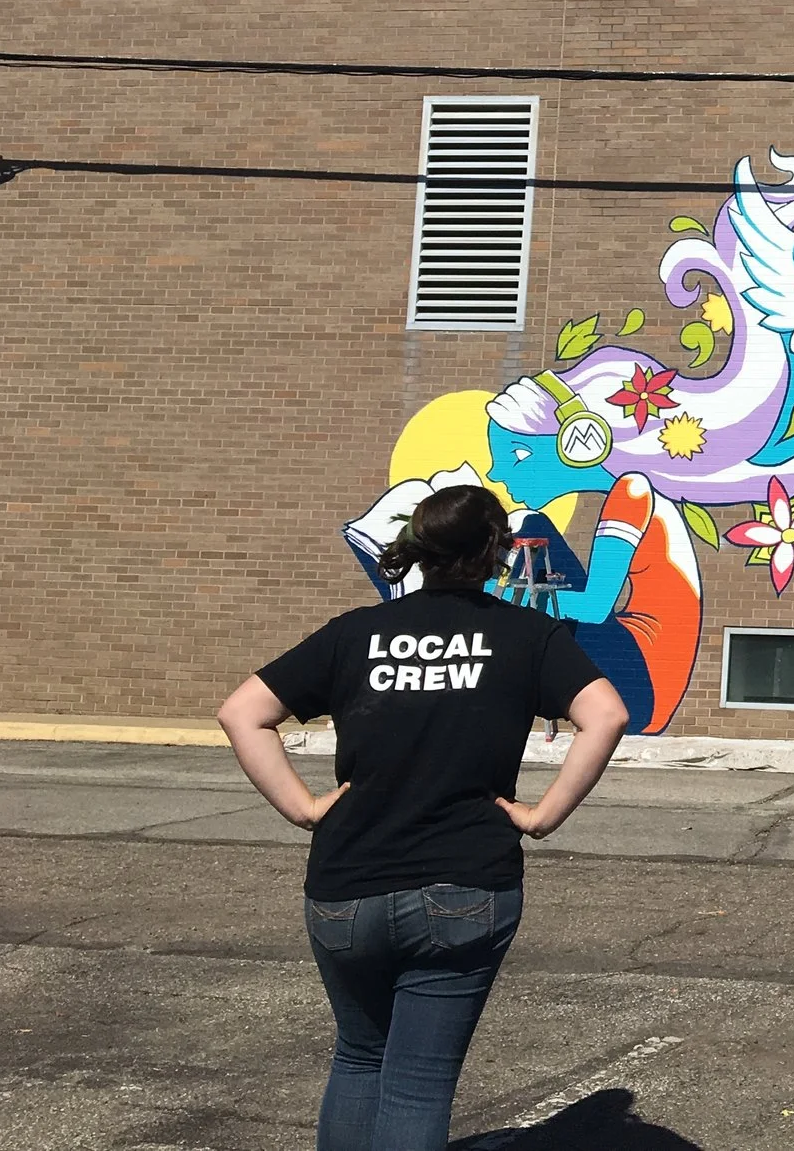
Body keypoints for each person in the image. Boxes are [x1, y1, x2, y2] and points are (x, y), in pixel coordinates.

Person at [217, 484, 630, 1151]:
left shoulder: (355, 633)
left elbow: (241, 711)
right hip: (465, 884)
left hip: (345, 884)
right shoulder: (527, 634)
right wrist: (542, 815)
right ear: (495, 551)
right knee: (416, 1083)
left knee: (359, 1057)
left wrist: (302, 807)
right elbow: (606, 713)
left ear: (420, 551)